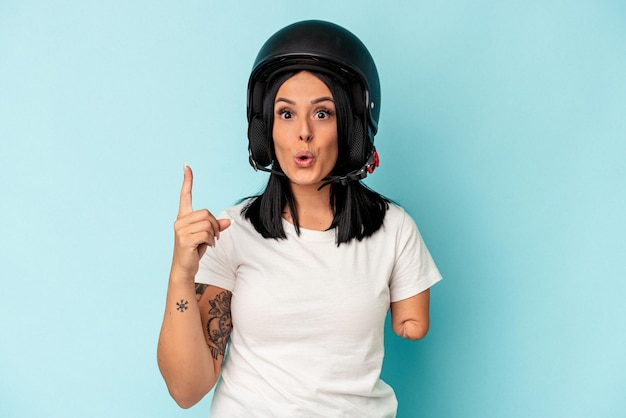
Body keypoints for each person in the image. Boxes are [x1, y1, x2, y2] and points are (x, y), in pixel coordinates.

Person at [157, 20, 442, 417]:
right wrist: (181, 274)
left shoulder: (394, 229)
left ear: (353, 127)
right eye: (286, 114)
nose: (303, 133)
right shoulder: (231, 232)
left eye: (322, 114)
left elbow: (412, 323)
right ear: (265, 129)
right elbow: (187, 391)